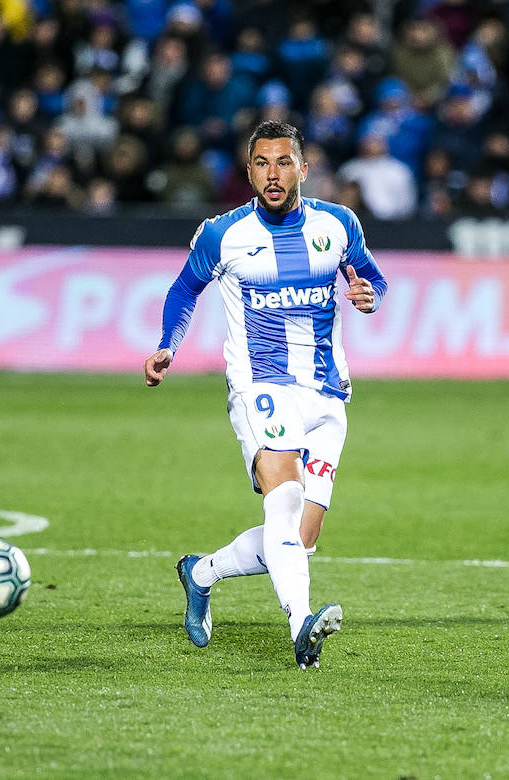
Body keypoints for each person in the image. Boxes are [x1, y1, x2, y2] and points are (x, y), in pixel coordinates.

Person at [144, 120, 387, 669]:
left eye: (283, 163)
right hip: (261, 385)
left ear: (303, 168)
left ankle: (200, 572)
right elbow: (185, 288)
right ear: (248, 171)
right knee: (283, 500)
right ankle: (301, 627)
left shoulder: (338, 224)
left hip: (327, 393)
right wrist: (167, 345)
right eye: (261, 164)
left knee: (300, 541)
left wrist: (368, 295)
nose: (272, 175)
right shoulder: (224, 234)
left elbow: (372, 278)